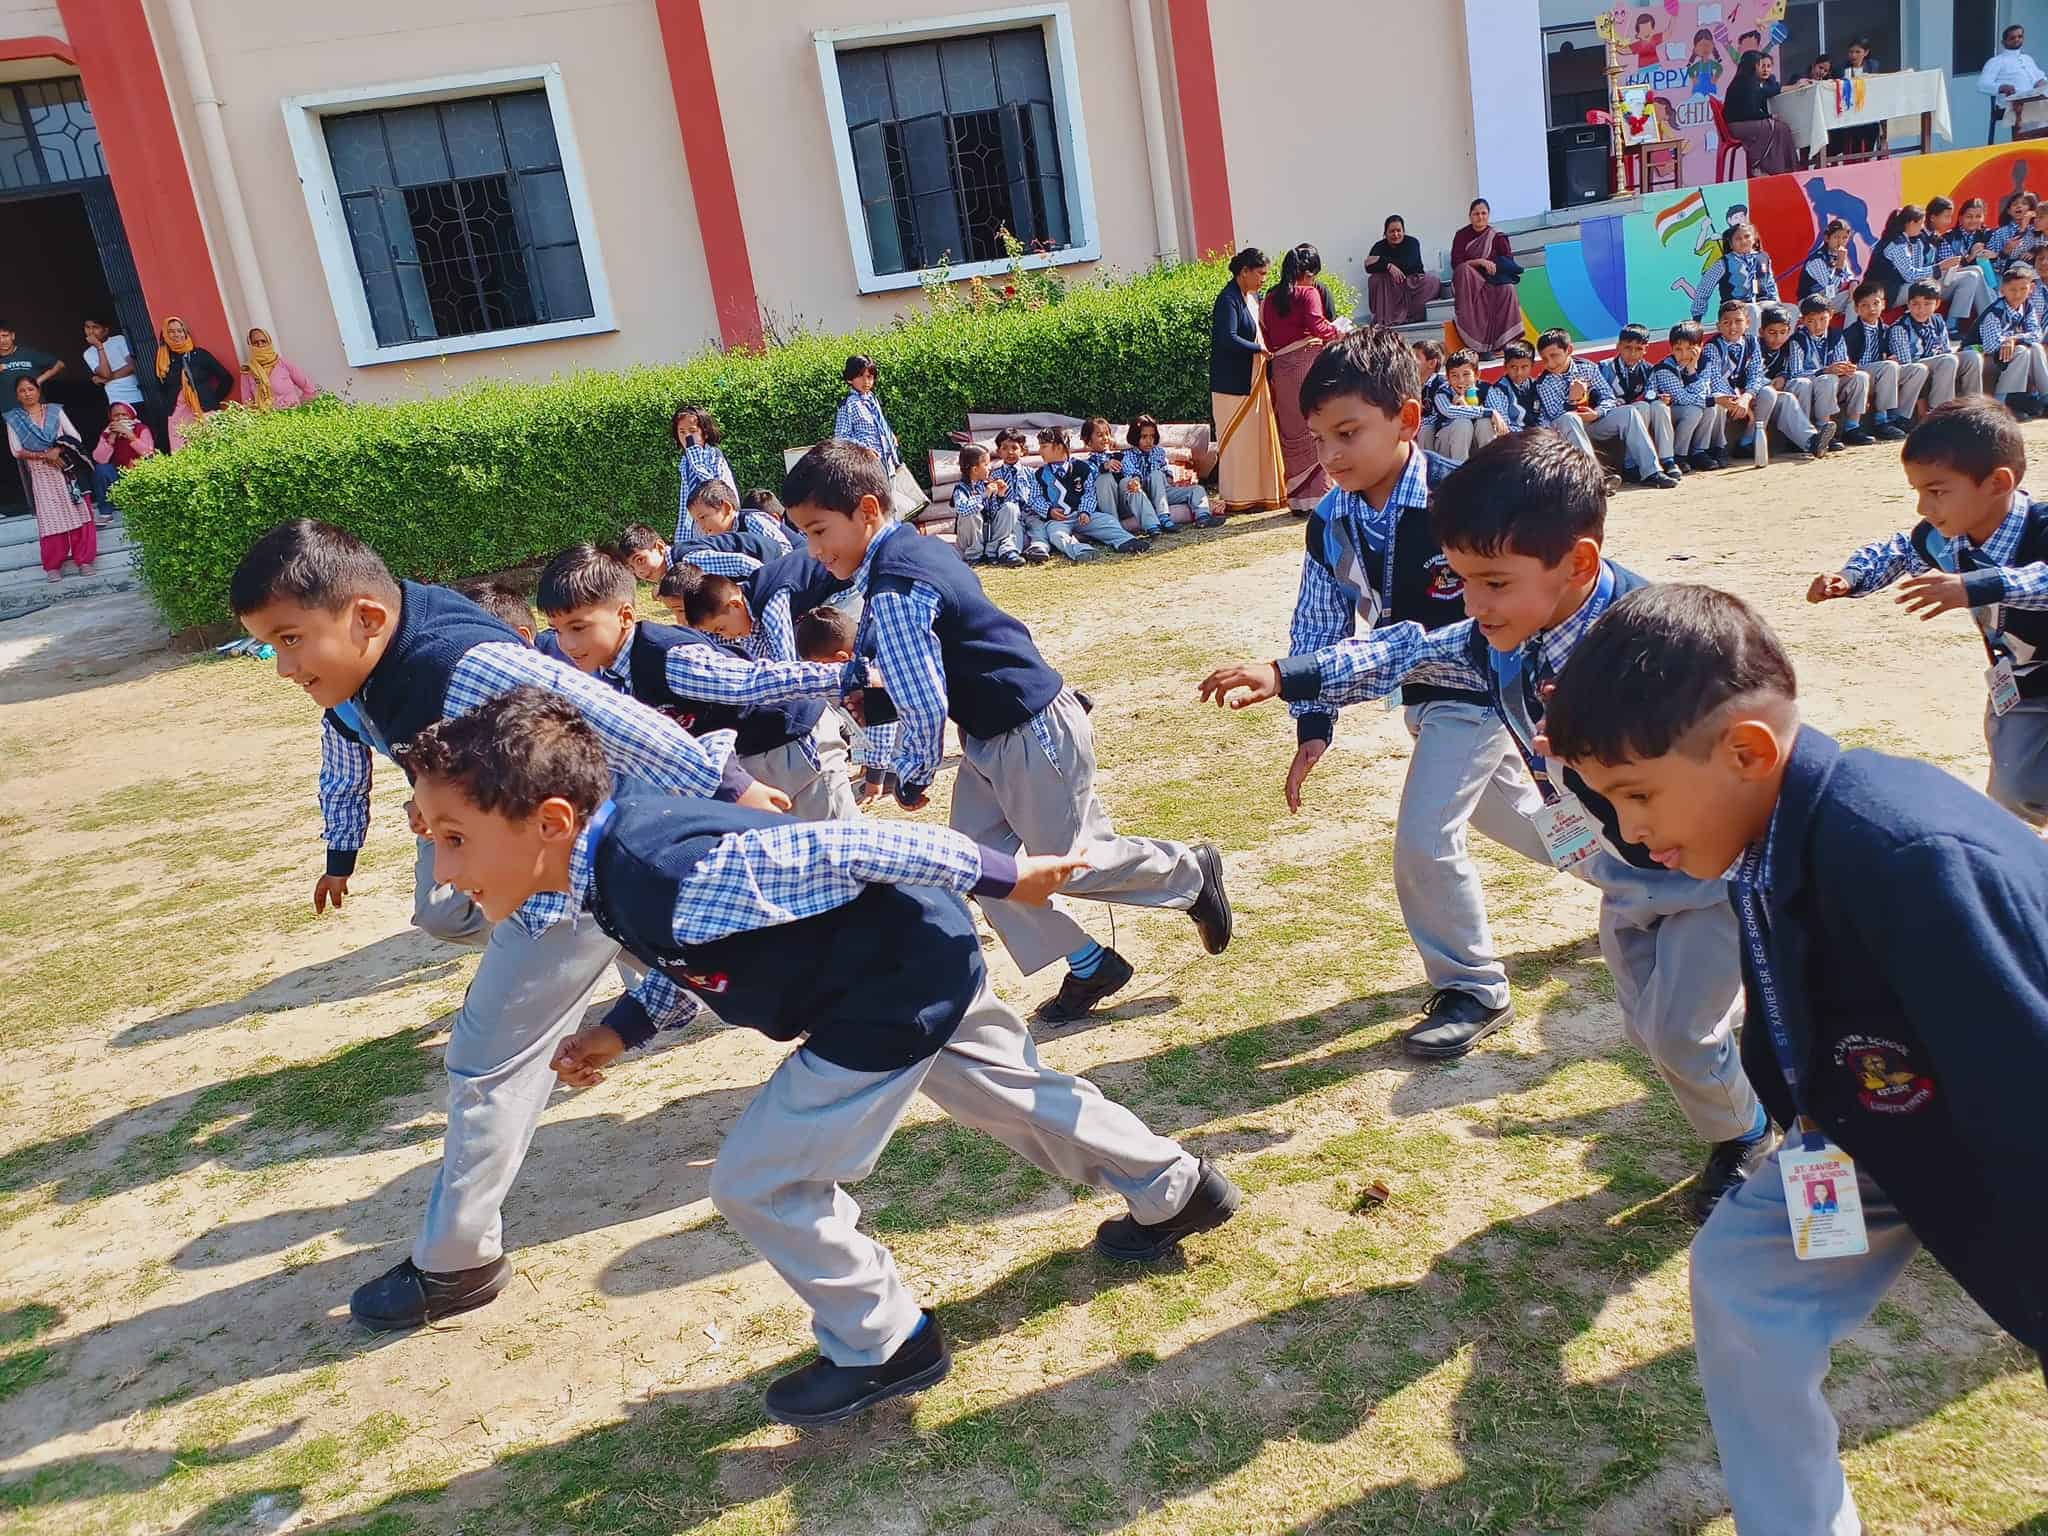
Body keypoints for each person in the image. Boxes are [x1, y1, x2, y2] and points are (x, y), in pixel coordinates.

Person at [405, 687, 1242, 1427]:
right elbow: (694, 951)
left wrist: (1002, 874)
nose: (442, 870)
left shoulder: (665, 870)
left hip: (884, 994)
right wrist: (622, 1029)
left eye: (455, 838)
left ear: (551, 822)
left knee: (760, 1181)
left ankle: (884, 1342)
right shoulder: (610, 870)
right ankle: (1175, 1190)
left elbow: (846, 848)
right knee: (1011, 1094)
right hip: (917, 953)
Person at [1540, 583, 2048, 1536]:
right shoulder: (1760, 832)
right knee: (1745, 1275)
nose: (1629, 830)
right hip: (1860, 1128)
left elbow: (2026, 1093)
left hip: (2002, 1142)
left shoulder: (1910, 856)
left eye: (1638, 795)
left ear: (1747, 751)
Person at [1198, 431, 1773, 1221]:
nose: (1473, 604)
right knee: (1651, 1026)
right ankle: (1737, 1076)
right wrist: (1287, 674)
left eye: (1494, 583)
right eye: (1463, 581)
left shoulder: (1658, 641)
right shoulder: (1499, 639)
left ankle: (1749, 1136)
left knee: (1683, 1033)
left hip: (1710, 874)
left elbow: (1751, 748)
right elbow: (1406, 650)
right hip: (1623, 876)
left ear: (1578, 563)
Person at [228, 519, 787, 1332]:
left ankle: (457, 1262)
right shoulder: (379, 663)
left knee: (489, 1059)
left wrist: (731, 787)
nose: (283, 667)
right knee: (821, 979)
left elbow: (610, 714)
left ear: (366, 618)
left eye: (289, 640)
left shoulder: (461, 666)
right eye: (269, 646)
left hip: (570, 875)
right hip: (585, 865)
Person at [782, 439, 1232, 1021]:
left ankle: (1190, 872)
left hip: (1029, 730)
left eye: (819, 531)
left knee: (1071, 863)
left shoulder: (897, 585)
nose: (814, 550)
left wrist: (911, 772)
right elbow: (911, 661)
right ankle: (1089, 963)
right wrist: (874, 705)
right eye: (805, 535)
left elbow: (924, 698)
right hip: (992, 737)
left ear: (867, 510)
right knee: (980, 866)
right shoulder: (909, 553)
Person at [1283, 328, 1549, 1057]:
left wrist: (1297, 678)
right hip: (1426, 702)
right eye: (1319, 438)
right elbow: (1317, 621)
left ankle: (1473, 986)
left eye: (1348, 433)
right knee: (1533, 825)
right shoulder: (1331, 520)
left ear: (1406, 419)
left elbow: (1472, 626)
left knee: (1425, 841)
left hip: (1488, 693)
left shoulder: (1462, 503)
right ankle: (1646, 879)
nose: (1331, 455)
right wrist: (1313, 722)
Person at [1810, 397, 2048, 822]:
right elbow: (1900, 551)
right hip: (2025, 681)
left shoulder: (2041, 527)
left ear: (1998, 482)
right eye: (1918, 492)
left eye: (1936, 492)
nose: (1923, 507)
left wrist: (1978, 586)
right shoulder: (1947, 538)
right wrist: (1850, 577)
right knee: (2015, 789)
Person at [536, 544, 858, 823]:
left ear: (625, 616)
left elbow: (753, 681)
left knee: (844, 853)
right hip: (748, 758)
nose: (567, 644)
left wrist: (848, 676)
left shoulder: (670, 660)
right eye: (557, 629)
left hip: (794, 739)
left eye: (578, 627)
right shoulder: (608, 677)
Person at [1533, 328, 1676, 488]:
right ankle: (1594, 479)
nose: (1550, 363)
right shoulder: (1543, 382)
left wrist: (1597, 413)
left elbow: (1608, 397)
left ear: (1569, 350)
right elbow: (1556, 416)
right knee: (1570, 418)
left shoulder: (1587, 367)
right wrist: (1573, 400)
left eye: (1554, 356)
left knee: (1629, 412)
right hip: (1566, 431)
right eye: (1544, 359)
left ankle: (1651, 472)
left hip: (1593, 422)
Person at [1263, 244, 1344, 513]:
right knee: (1315, 426)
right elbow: (1318, 326)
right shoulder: (1308, 293)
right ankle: (1319, 497)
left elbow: (1266, 334)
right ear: (1308, 273)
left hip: (1280, 369)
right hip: (1307, 364)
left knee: (1290, 430)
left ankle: (1296, 499)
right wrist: (1339, 332)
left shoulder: (1269, 298)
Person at [1210, 247, 1285, 514]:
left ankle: (1260, 494)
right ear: (1244, 272)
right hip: (1233, 385)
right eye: (1260, 273)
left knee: (1255, 441)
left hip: (1254, 379)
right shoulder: (1227, 299)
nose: (1264, 279)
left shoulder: (1252, 298)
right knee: (1237, 443)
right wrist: (1259, 349)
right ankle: (1238, 497)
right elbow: (1227, 338)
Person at [6, 375, 96, 582]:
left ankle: (84, 560)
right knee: (50, 519)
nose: (27, 394)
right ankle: (53, 565)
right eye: (22, 391)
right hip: (41, 474)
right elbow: (16, 450)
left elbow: (75, 436)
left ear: (38, 391)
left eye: (31, 389)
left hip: (65, 469)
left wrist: (57, 450)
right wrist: (45, 455)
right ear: (17, 396)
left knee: (78, 513)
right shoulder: (14, 419)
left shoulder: (55, 410)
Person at [1839, 280, 1922, 438]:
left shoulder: (1886, 330)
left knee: (1917, 369)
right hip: (1859, 374)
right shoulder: (1850, 333)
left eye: (1876, 303)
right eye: (1865, 305)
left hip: (1883, 375)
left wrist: (1893, 358)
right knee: (1888, 366)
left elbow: (1892, 355)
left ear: (1883, 304)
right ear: (1856, 309)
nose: (1871, 309)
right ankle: (1881, 420)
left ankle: (1900, 418)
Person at [1754, 305, 1840, 460]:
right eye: (1772, 333)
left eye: (1783, 332)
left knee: (1800, 386)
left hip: (1777, 394)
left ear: (1789, 331)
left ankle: (1811, 441)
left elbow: (1791, 371)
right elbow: (1751, 375)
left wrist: (1784, 376)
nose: (1778, 338)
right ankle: (1807, 440)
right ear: (1761, 332)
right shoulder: (1754, 346)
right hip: (1755, 394)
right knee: (1787, 394)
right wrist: (1769, 383)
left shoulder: (1788, 346)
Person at [1785, 296, 1869, 447]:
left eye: (1823, 319)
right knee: (1827, 378)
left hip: (1832, 384)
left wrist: (1846, 368)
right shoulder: (1797, 340)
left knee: (1860, 377)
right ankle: (1823, 429)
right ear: (1803, 320)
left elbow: (1841, 362)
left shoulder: (1836, 336)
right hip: (1811, 384)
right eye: (1811, 321)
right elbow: (1796, 373)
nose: (1818, 325)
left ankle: (1852, 427)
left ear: (1831, 315)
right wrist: (1825, 371)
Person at [1601, 324, 1682, 478]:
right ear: (1618, 346)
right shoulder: (1605, 367)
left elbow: (1650, 393)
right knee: (1640, 408)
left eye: (1638, 349)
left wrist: (1660, 397)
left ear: (1646, 349)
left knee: (1659, 406)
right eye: (1627, 348)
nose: (1632, 354)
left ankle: (1667, 459)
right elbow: (1599, 397)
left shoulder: (1648, 369)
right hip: (1610, 415)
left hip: (1636, 410)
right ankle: (1631, 462)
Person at [1888, 280, 1985, 407]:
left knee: (1972, 356)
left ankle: (1973, 404)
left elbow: (1945, 350)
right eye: (1915, 304)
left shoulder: (1937, 321)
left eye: (1927, 304)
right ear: (1908, 304)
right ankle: (1940, 408)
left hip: (1940, 365)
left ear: (1937, 304)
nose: (1921, 309)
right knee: (1948, 360)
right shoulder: (1901, 328)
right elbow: (1908, 367)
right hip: (1917, 369)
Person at [1449, 199, 1525, 358]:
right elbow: (1456, 263)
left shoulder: (1496, 236)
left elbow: (1508, 260)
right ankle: (1479, 346)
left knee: (1508, 289)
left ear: (1488, 215)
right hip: (1470, 281)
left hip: (1494, 279)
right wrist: (1479, 262)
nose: (1480, 217)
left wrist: (1494, 265)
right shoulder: (1461, 235)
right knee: (1464, 269)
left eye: (1483, 213)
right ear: (1470, 216)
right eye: (1476, 214)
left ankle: (1505, 345)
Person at [1653, 322, 1729, 471]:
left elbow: (1703, 392)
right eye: (1678, 349)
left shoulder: (1704, 363)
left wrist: (1692, 370)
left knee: (1711, 408)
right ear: (1671, 349)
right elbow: (1682, 398)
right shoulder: (1665, 368)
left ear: (1700, 346)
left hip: (1692, 406)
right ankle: (1678, 455)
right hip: (1670, 410)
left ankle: (1699, 452)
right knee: (1695, 410)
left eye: (1690, 348)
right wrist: (1711, 399)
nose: (1684, 354)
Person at [997, 428, 1078, 564]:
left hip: (1031, 512)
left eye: (1014, 448)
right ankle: (1009, 552)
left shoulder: (1032, 473)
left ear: (1023, 451)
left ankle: (1038, 548)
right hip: (1011, 515)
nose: (1010, 452)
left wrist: (1046, 510)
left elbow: (1038, 495)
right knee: (1013, 530)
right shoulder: (995, 475)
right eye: (1004, 448)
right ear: (998, 452)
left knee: (1039, 527)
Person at [1124, 414, 1219, 529]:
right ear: (1135, 437)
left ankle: (1203, 517)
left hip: (1163, 492)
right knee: (1155, 474)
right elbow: (1132, 473)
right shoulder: (1128, 455)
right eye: (1144, 437)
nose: (1149, 441)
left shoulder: (1158, 451)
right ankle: (1164, 517)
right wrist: (1138, 480)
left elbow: (1165, 468)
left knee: (1197, 489)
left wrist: (1169, 477)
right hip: (1143, 494)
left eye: (1152, 436)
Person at [154, 316, 234, 450]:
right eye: (171, 331)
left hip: (204, 412)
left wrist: (212, 401)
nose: (176, 334)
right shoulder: (163, 361)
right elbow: (161, 388)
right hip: (178, 417)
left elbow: (227, 379)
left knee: (212, 449)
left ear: (185, 333)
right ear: (165, 335)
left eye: (180, 331)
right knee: (183, 453)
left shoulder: (200, 355)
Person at [1082, 415, 1167, 538]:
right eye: (1100, 435)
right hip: (1106, 509)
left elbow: (1133, 471)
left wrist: (1135, 480)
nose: (1105, 438)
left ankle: (1151, 524)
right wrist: (1104, 467)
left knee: (1128, 481)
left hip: (1124, 504)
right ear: (1088, 441)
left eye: (1107, 434)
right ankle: (1114, 527)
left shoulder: (1120, 456)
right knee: (1105, 479)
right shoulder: (1086, 464)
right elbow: (1089, 486)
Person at [1032, 429, 1112, 559]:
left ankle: (1126, 541)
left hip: (1083, 516)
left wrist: (1085, 511)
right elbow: (1035, 498)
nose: (1040, 451)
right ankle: (1081, 550)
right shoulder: (1040, 474)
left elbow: (1089, 492)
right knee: (1056, 535)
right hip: (1058, 520)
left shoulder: (1082, 468)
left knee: (1108, 521)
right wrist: (1049, 511)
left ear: (1059, 447)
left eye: (1044, 447)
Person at [670, 402, 739, 544]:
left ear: (705, 433)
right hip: (695, 522)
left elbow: (715, 489)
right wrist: (681, 537)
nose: (687, 437)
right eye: (682, 432)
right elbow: (685, 501)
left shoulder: (713, 455)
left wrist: (695, 458)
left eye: (692, 431)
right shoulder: (685, 461)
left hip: (716, 520)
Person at [1689, 221, 1779, 329]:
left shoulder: (1764, 258)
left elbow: (1770, 284)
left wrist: (1776, 305)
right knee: (1753, 311)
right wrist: (1697, 317)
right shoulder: (1723, 263)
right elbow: (1704, 288)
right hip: (1733, 308)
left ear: (1754, 239)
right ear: (1731, 244)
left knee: (1788, 312)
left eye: (1747, 236)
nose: (1743, 241)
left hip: (1762, 304)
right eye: (1738, 239)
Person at [1723, 49, 1798, 176]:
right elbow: (1749, 113)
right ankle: (1772, 168)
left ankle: (1786, 167)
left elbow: (1767, 92)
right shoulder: (1746, 83)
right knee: (1778, 128)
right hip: (1738, 126)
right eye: (1759, 65)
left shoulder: (1748, 81)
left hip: (1742, 123)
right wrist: (1769, 116)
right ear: (1753, 66)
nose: (1762, 68)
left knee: (1781, 127)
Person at [949, 443, 1024, 567]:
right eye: (986, 464)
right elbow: (962, 509)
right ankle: (974, 555)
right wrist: (984, 495)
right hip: (970, 538)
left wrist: (1000, 496)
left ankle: (991, 551)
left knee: (1010, 508)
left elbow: (994, 513)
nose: (990, 468)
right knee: (971, 513)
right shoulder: (961, 489)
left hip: (987, 534)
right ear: (975, 469)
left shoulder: (986, 485)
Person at [1424, 348, 1501, 465]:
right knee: (1463, 423)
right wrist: (1487, 412)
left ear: (1477, 375)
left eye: (1466, 374)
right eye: (1454, 375)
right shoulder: (1443, 393)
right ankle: (1459, 469)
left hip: (1475, 446)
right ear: (1448, 378)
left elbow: (1499, 416)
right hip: (1447, 447)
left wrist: (1468, 407)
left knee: (1484, 422)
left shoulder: (1486, 389)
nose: (1461, 380)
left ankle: (1488, 466)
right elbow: (1449, 411)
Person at [1364, 214, 1441, 327]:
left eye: (1398, 231)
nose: (1396, 234)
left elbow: (1408, 264)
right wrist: (1388, 266)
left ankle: (1408, 315)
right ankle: (1385, 316)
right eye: (1392, 231)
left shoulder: (1412, 242)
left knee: (1433, 281)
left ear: (1403, 231)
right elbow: (1369, 267)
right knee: (1375, 279)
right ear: (1385, 233)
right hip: (1391, 287)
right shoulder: (1379, 246)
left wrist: (1382, 260)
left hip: (1412, 283)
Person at [89, 400, 156, 528]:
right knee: (101, 469)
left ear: (131, 415)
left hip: (139, 471)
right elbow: (100, 459)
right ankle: (106, 513)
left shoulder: (141, 428)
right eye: (116, 415)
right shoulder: (107, 432)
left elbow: (149, 454)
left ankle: (144, 510)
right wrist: (111, 438)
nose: (120, 418)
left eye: (124, 415)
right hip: (118, 474)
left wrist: (130, 436)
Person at [680, 479, 791, 555]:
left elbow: (784, 550)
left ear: (726, 508)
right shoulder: (721, 540)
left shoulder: (751, 521)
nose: (701, 526)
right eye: (696, 521)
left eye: (703, 517)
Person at [1982, 21, 2048, 138]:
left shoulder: (2027, 59)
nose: (2017, 39)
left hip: (2034, 98)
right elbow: (1982, 84)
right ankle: (2027, 142)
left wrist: (2041, 82)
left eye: (2020, 36)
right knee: (2033, 107)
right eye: (2012, 38)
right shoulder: (1996, 61)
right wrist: (2002, 87)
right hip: (2012, 102)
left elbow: (2040, 78)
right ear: (2003, 42)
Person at [237, 328, 318, 410]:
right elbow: (248, 403)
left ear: (269, 342)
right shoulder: (247, 371)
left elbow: (310, 389)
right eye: (255, 342)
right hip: (266, 416)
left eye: (263, 341)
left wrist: (301, 408)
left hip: (292, 414)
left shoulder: (284, 364)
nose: (260, 345)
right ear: (250, 346)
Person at [80, 318, 141, 415]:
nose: (90, 331)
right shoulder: (88, 353)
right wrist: (99, 347)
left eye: (95, 327)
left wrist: (107, 379)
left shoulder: (119, 340)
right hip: (117, 400)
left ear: (106, 330)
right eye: (87, 327)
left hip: (138, 394)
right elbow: (106, 374)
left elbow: (133, 366)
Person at [1796, 218, 1858, 313]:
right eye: (1836, 237)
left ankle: (1852, 322)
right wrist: (1840, 265)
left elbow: (1849, 276)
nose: (1840, 242)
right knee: (1855, 296)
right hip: (1810, 302)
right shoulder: (1817, 259)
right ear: (1827, 238)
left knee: (1858, 294)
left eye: (1845, 238)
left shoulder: (1838, 254)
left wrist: (1853, 283)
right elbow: (1830, 291)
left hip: (1828, 299)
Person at [0, 323, 63, 390]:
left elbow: (59, 364)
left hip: (32, 397)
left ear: (13, 336)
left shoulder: (28, 353)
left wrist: (38, 381)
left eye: (5, 335)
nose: (2, 341)